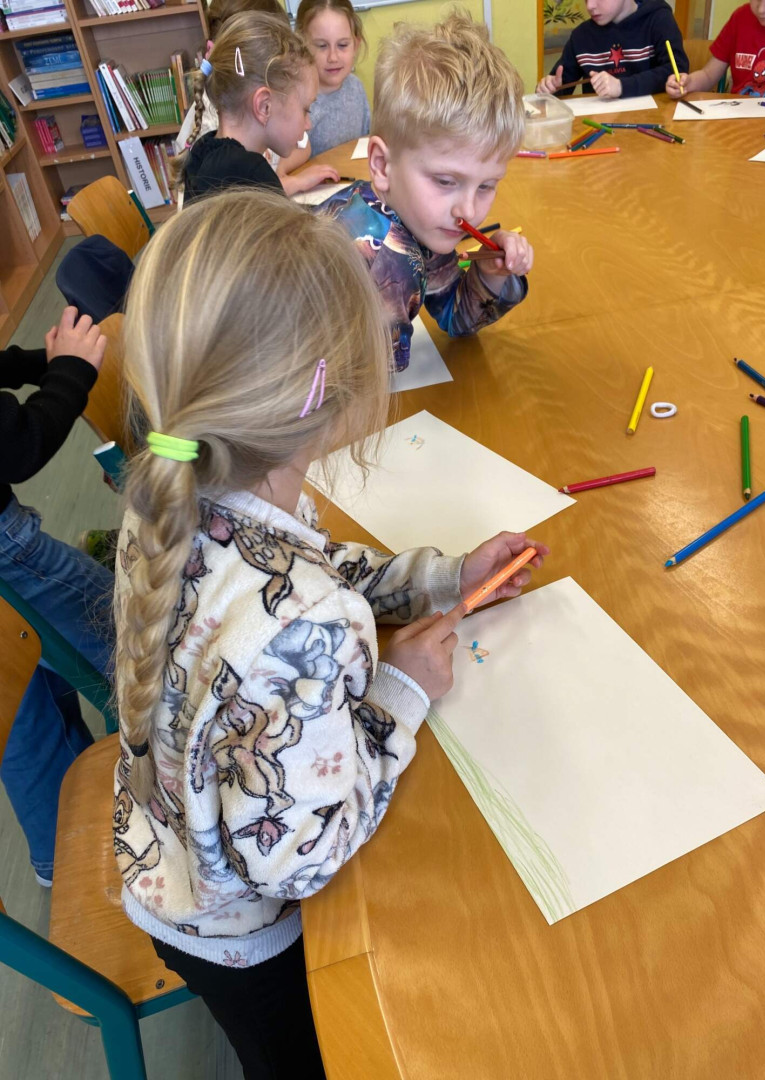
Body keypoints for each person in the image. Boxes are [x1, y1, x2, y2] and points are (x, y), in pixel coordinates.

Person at [112, 188, 547, 1079]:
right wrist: (401, 694)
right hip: (245, 936)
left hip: (165, 859)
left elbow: (308, 565)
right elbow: (300, 862)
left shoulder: (174, 487)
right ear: (328, 392)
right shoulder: (306, 625)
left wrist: (440, 577)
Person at [321, 11, 533, 372]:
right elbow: (364, 382)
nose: (467, 211)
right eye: (446, 181)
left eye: (486, 185)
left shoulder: (417, 222)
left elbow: (454, 316)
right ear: (382, 165)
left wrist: (490, 274)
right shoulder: (385, 258)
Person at [0, 307, 113, 886]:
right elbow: (19, 444)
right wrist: (68, 371)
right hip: (8, 558)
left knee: (23, 713)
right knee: (136, 634)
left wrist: (32, 363)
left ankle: (59, 859)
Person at [174, 10, 340, 202]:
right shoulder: (250, 172)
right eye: (305, 110)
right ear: (264, 106)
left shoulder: (204, 148)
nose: (308, 124)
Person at [537, 0, 688, 99]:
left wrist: (622, 87)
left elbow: (677, 72)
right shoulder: (581, 36)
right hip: (599, 127)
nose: (590, 6)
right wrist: (549, 89)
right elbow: (560, 85)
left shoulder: (659, 19)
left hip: (654, 122)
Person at [665, 0, 765, 98]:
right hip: (739, 123)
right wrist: (688, 83)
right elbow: (708, 75)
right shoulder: (740, 17)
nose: (761, 9)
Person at [294, 0, 371, 157]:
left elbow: (366, 140)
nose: (333, 57)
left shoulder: (356, 87)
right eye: (322, 46)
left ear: (355, 45)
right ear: (302, 47)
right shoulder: (296, 101)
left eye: (342, 45)